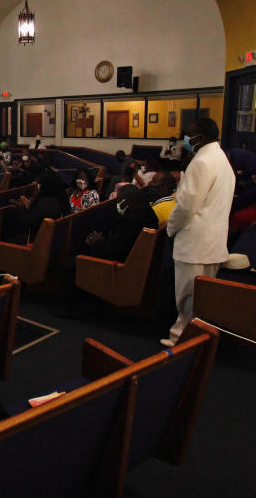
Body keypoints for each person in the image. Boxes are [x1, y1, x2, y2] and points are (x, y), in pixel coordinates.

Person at [163, 117, 235, 347]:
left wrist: (171, 228)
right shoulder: (222, 158)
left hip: (195, 241)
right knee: (202, 299)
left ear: (200, 137)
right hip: (213, 240)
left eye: (189, 133)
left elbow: (186, 205)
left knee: (187, 297)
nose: (185, 137)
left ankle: (181, 341)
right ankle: (197, 339)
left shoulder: (202, 161)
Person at [56, 186, 159, 317]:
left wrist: (98, 241)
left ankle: (72, 308)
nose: (117, 204)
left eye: (118, 200)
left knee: (69, 263)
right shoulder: (148, 215)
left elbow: (111, 251)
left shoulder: (131, 222)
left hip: (120, 265)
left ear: (126, 201)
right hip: (134, 261)